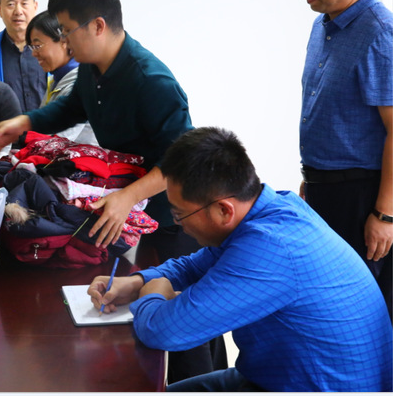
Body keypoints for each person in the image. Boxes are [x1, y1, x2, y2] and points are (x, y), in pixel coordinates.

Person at [0, 0, 225, 382]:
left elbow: (180, 160)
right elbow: (69, 109)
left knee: (185, 319)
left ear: (98, 25)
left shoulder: (151, 80)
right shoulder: (93, 69)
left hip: (178, 213)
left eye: (67, 31)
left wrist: (127, 197)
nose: (64, 42)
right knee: (148, 305)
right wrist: (23, 122)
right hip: (137, 207)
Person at [89, 127, 393, 391]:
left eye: (179, 215)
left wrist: (152, 294)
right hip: (277, 377)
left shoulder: (271, 249)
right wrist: (138, 281)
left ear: (223, 210)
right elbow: (196, 264)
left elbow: (162, 331)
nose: (179, 225)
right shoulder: (275, 209)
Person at [296, 0, 393, 318]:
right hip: (324, 189)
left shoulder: (379, 32)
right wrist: (312, 179)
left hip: (363, 197)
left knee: (360, 312)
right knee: (326, 307)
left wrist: (385, 215)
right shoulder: (323, 26)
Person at [25, 10, 96, 144]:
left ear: (64, 41)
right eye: (32, 47)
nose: (34, 54)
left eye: (37, 46)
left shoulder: (79, 82)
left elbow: (58, 140)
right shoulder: (56, 79)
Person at [0, 0, 46, 112]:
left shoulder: (53, 48)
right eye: (11, 4)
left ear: (35, 7)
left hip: (50, 125)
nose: (18, 11)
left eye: (24, 3)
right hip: (6, 125)